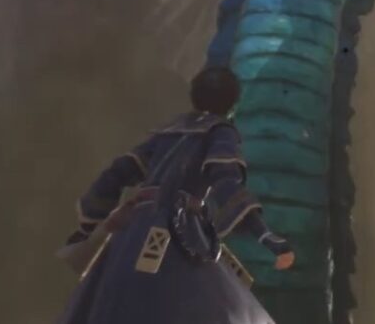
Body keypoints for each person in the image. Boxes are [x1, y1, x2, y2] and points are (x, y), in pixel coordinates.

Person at [56, 66, 295, 324]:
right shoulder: (220, 132)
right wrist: (267, 237)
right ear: (232, 104)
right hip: (180, 236)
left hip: (132, 235)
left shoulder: (167, 132)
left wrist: (87, 227)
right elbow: (226, 183)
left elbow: (116, 174)